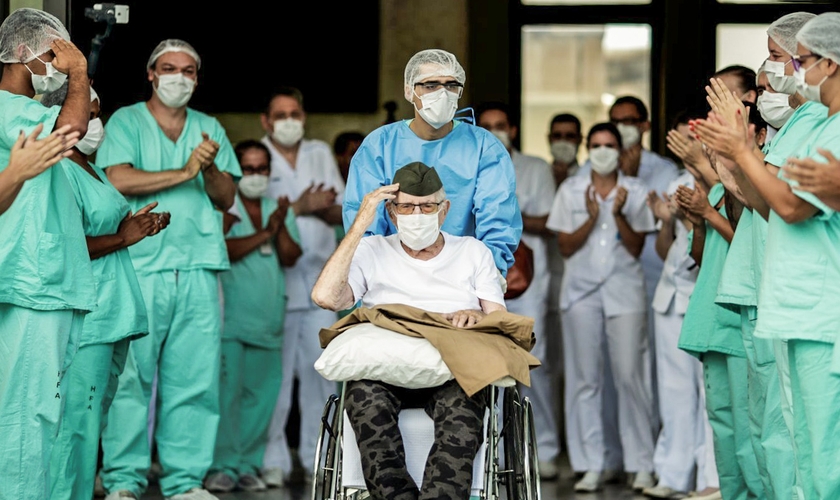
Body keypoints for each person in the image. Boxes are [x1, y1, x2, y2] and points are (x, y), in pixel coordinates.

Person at [695, 11, 840, 498]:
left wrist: (742, 151)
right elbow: (771, 202)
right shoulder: (815, 123)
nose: (787, 74)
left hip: (822, 307)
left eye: (798, 61)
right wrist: (735, 157)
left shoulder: (830, 126)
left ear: (831, 64)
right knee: (795, 439)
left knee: (819, 450)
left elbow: (791, 205)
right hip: (795, 304)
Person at [311, 162, 507, 500]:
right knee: (362, 398)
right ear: (391, 210)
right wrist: (361, 224)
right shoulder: (373, 251)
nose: (417, 214)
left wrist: (476, 314)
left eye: (427, 205)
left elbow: (499, 320)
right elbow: (326, 297)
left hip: (451, 373)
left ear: (444, 210)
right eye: (405, 206)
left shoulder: (473, 252)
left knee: (464, 408)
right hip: (383, 372)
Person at [98, 38, 241, 500]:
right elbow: (116, 177)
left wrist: (209, 167)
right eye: (168, 68)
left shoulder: (208, 127)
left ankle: (185, 482)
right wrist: (183, 172)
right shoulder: (126, 121)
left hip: (198, 265)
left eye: (188, 70)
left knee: (195, 380)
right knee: (130, 381)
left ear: (197, 78)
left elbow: (226, 198)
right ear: (151, 74)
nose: (179, 76)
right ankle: (123, 479)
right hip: (141, 267)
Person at [39, 84, 169, 500]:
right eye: (88, 113)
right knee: (75, 427)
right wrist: (123, 237)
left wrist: (135, 227)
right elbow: (62, 247)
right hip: (86, 318)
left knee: (90, 424)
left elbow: (99, 228)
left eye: (98, 113)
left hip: (111, 315)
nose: (96, 123)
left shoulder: (89, 168)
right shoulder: (57, 169)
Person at [0, 8, 96, 500]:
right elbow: (71, 132)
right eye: (55, 55)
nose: (61, 65)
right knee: (24, 414)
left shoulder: (28, 113)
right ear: (24, 54)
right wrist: (78, 73)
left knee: (33, 412)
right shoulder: (8, 110)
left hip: (41, 285)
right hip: (30, 285)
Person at [342, 48, 522, 282]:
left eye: (451, 85)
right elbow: (364, 220)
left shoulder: (484, 148)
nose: (442, 93)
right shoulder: (380, 145)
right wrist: (375, 277)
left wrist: (487, 277)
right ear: (409, 90)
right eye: (430, 85)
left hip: (463, 278)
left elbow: (498, 221)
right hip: (392, 278)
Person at [546, 122, 657, 493]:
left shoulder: (636, 190)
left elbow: (638, 247)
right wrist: (593, 216)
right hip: (580, 294)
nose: (603, 150)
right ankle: (589, 464)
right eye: (596, 145)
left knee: (630, 376)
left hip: (625, 293)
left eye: (609, 144)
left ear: (620, 150)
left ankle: (640, 464)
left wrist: (620, 213)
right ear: (587, 148)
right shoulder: (571, 188)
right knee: (584, 379)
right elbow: (564, 246)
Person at [584, 96, 679, 481]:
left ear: (644, 124)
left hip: (659, 276)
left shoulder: (665, 168)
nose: (622, 127)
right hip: (609, 283)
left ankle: (653, 460)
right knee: (604, 374)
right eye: (615, 120)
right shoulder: (591, 171)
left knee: (647, 374)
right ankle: (608, 458)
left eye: (630, 120)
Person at [204, 140, 303, 493]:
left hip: (268, 319)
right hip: (232, 320)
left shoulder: (276, 207)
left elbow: (291, 256)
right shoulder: (223, 208)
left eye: (263, 169)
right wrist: (266, 232)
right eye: (249, 168)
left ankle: (247, 464)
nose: (256, 175)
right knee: (226, 397)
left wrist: (280, 227)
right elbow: (222, 250)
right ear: (234, 171)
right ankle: (222, 465)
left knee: (261, 399)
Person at [258, 86, 345, 487]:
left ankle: (317, 458)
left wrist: (295, 208)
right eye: (280, 114)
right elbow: (257, 216)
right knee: (273, 381)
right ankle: (271, 460)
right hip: (272, 282)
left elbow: (337, 210)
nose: (289, 120)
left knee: (321, 375)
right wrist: (302, 207)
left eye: (295, 112)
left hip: (320, 282)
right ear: (266, 121)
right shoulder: (257, 158)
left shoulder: (319, 153)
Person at [476, 101, 561, 480]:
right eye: (487, 125)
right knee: (483, 362)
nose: (495, 131)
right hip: (476, 276)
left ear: (513, 129)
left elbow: (548, 219)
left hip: (526, 275)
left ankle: (544, 448)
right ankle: (487, 450)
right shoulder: (467, 164)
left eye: (501, 125)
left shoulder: (534, 168)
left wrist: (503, 214)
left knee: (531, 362)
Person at [547, 112, 583, 188]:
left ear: (579, 139)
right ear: (549, 139)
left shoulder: (587, 175)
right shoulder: (538, 175)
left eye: (570, 136)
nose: (563, 141)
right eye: (557, 136)